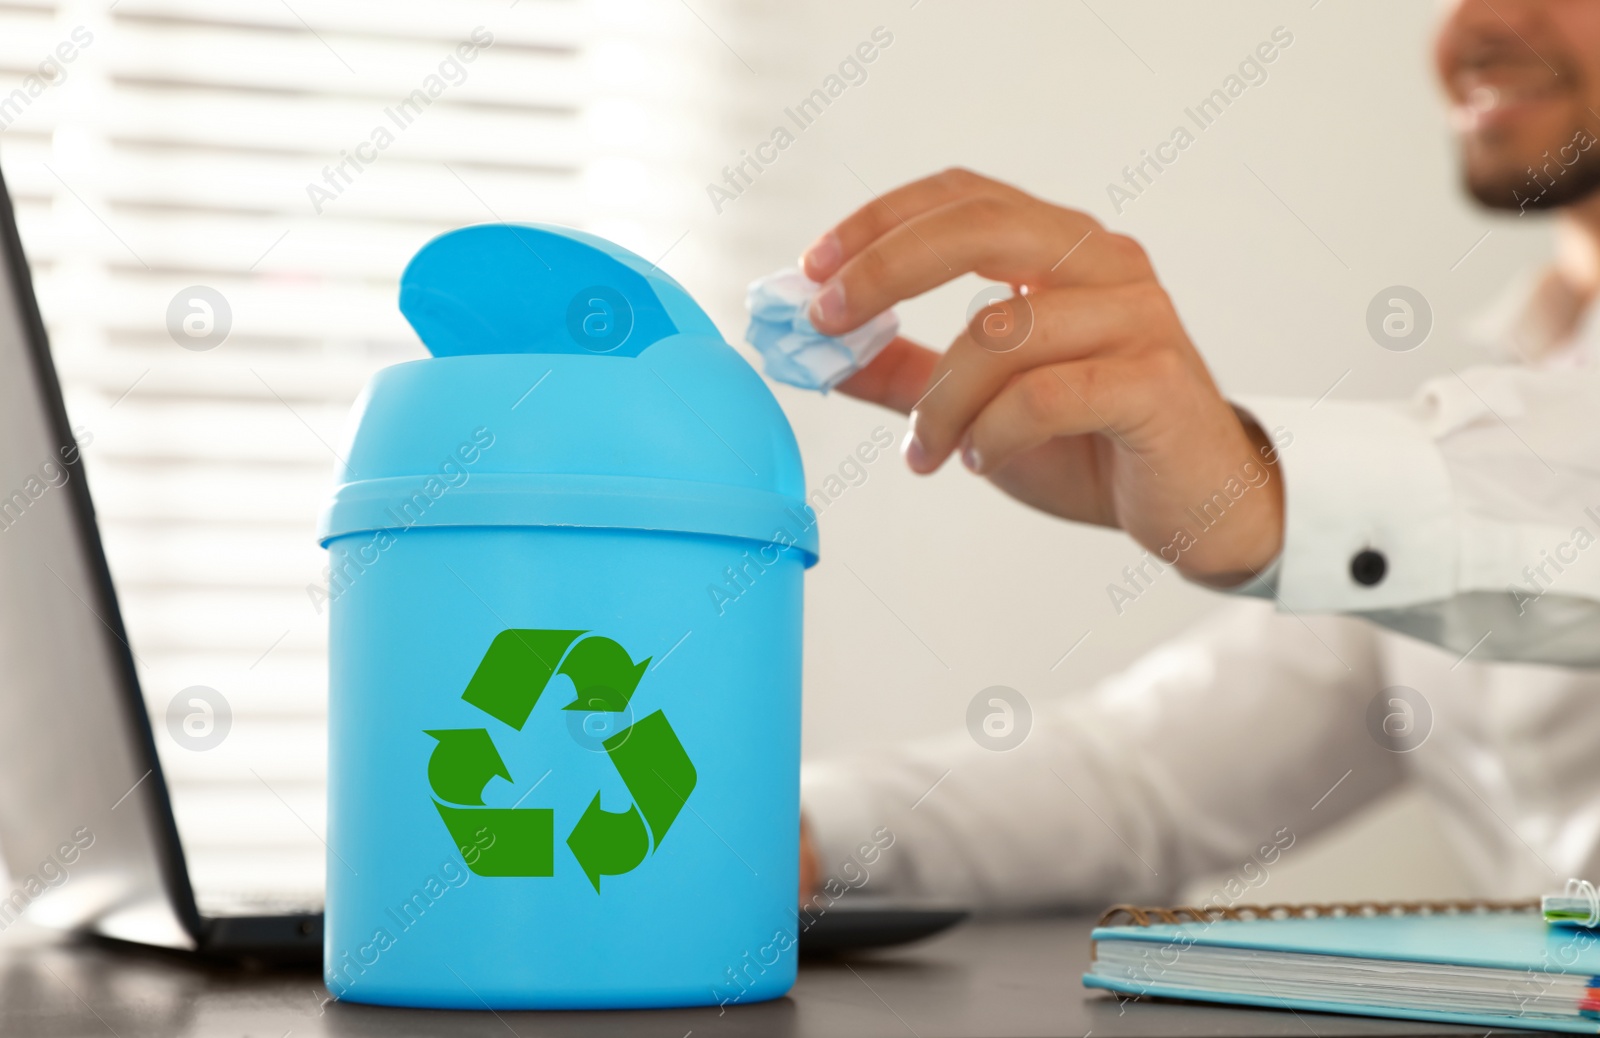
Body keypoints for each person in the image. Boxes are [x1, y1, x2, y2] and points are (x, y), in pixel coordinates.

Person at [796, 0, 1600, 909]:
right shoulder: (1500, 408)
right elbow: (1144, 785)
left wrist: (1261, 493)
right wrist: (807, 831)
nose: (1481, 23)